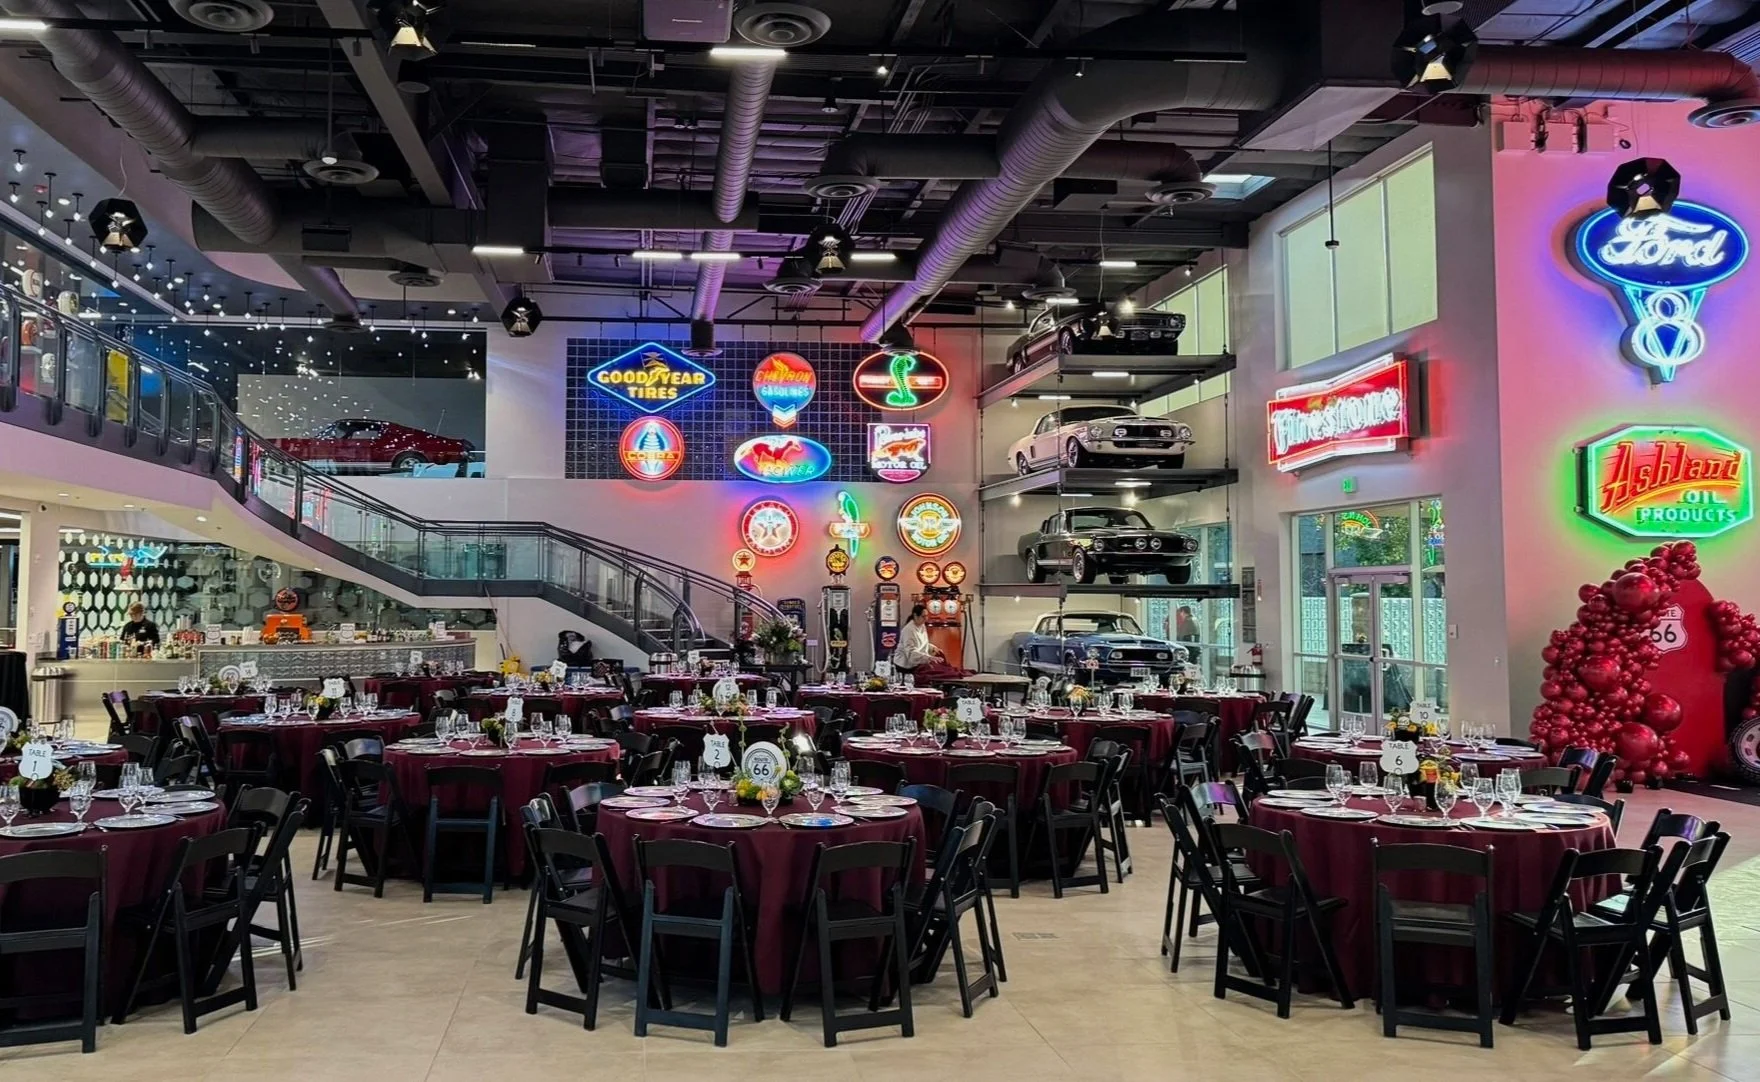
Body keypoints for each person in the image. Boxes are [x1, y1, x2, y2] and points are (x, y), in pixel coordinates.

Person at [890, 604, 970, 681]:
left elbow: (922, 643)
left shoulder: (922, 626)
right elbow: (911, 653)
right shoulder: (908, 630)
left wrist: (933, 648)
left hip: (918, 662)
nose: (926, 619)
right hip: (906, 665)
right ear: (915, 616)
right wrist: (929, 658)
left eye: (926, 616)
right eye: (923, 616)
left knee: (945, 669)